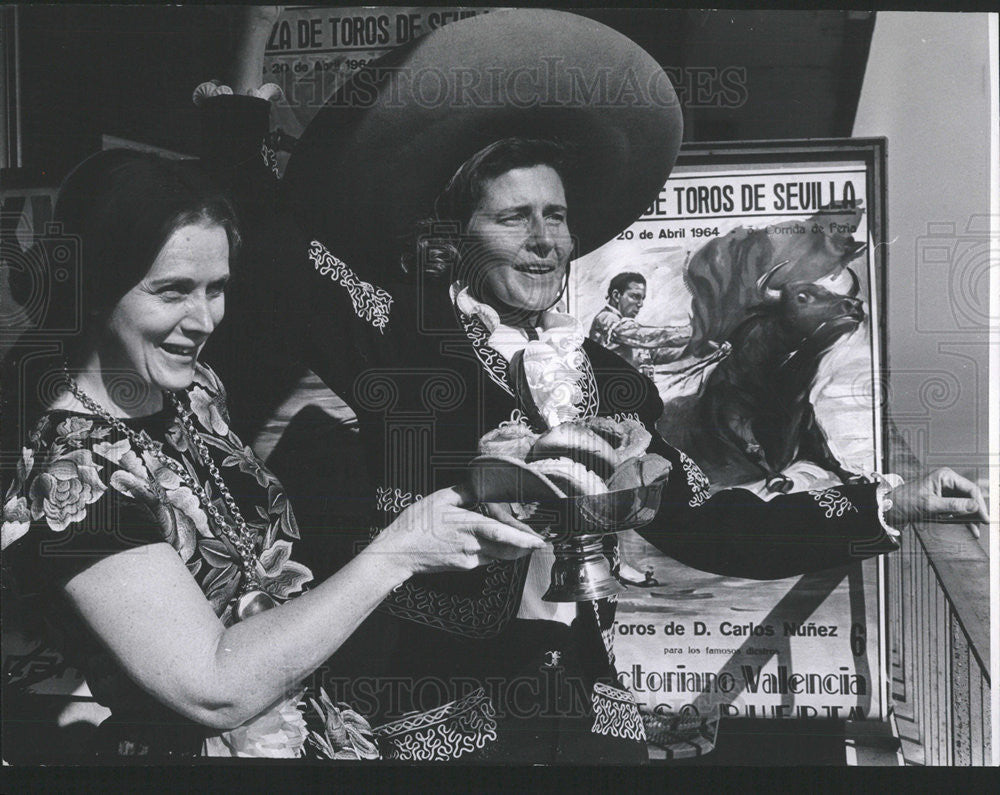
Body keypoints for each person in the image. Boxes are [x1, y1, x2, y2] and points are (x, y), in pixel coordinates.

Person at [196, 8, 988, 763]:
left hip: (584, 716)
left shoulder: (616, 385)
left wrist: (893, 503)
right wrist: (248, 63)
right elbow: (275, 247)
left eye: (557, 216)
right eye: (514, 219)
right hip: (433, 719)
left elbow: (712, 521)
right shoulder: (402, 343)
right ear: (455, 235)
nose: (546, 242)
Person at [0, 149, 545, 761]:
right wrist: (398, 553)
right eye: (173, 291)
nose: (203, 319)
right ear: (94, 286)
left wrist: (467, 493)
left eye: (218, 288)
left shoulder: (194, 390)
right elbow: (212, 688)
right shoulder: (70, 475)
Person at [588, 272, 691, 373]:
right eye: (635, 296)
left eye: (642, 298)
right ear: (616, 295)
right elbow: (644, 337)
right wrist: (691, 332)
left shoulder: (628, 328)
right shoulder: (605, 318)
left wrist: (694, 346)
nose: (640, 304)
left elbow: (656, 354)